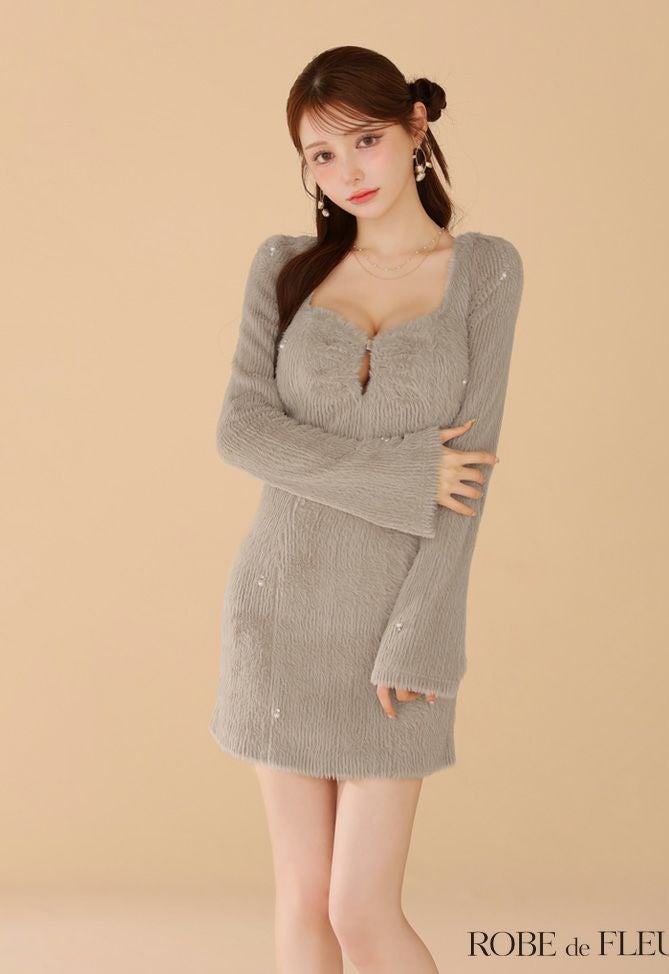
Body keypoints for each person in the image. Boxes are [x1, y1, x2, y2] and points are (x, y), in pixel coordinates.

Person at [208, 45, 524, 974]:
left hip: (397, 627)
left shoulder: (485, 272)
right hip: (276, 614)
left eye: (365, 140)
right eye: (321, 154)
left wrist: (422, 636)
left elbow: (470, 478)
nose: (346, 171)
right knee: (305, 901)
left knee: (362, 909)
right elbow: (242, 432)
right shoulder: (284, 267)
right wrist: (402, 474)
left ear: (415, 128)